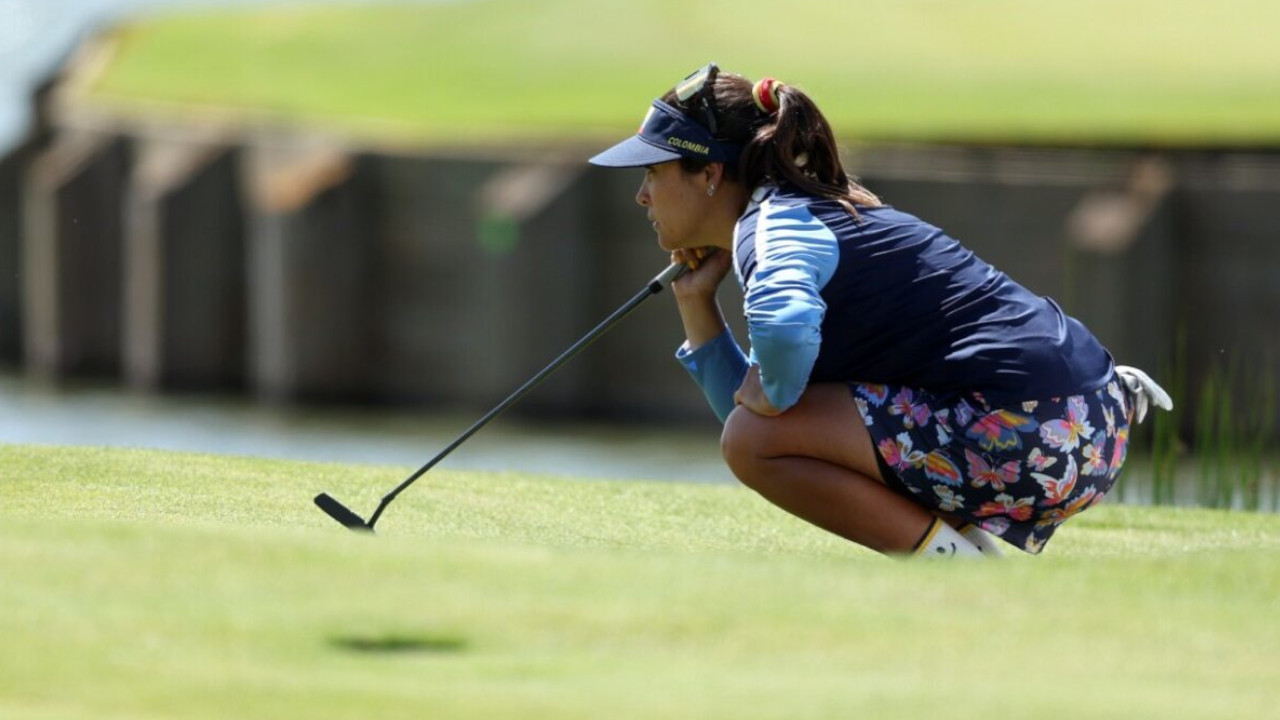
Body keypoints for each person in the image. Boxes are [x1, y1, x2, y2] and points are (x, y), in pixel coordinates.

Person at [588, 63, 1172, 558]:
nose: (642, 195)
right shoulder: (806, 211)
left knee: (753, 433)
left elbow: (772, 378)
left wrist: (772, 388)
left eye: (653, 172)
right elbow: (764, 427)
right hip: (1087, 427)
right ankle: (963, 560)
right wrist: (698, 305)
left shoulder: (772, 228)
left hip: (1031, 431)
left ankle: (957, 575)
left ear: (710, 173)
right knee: (755, 431)